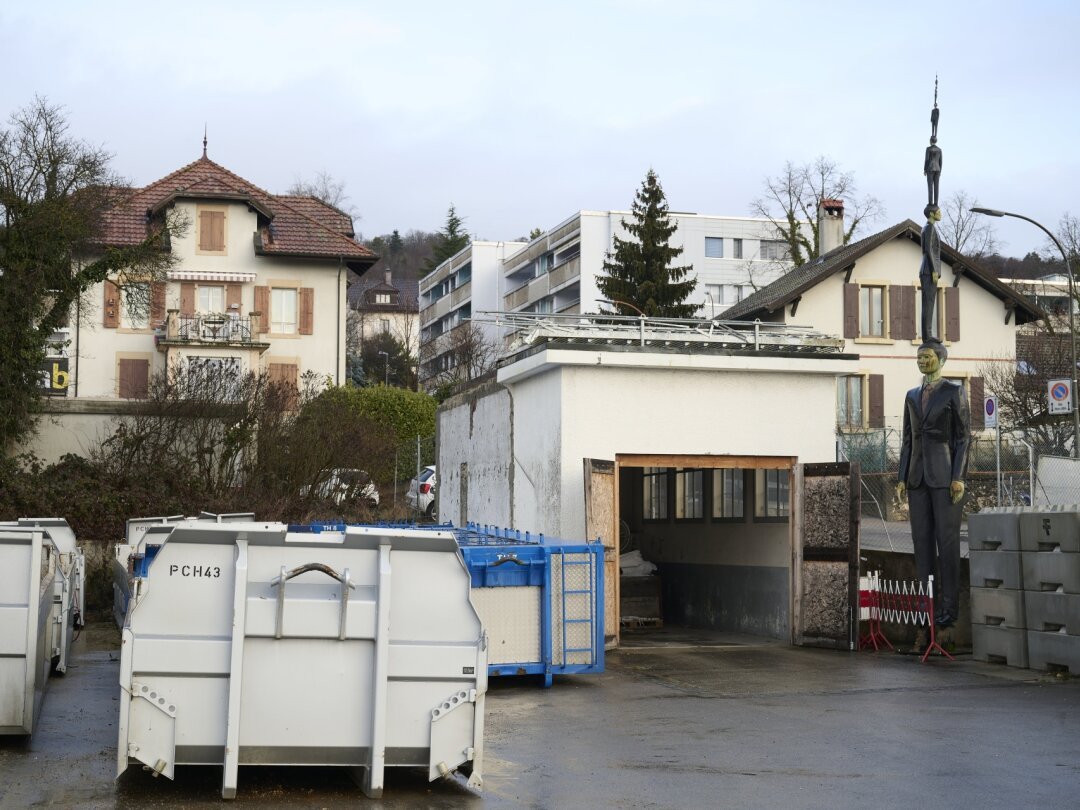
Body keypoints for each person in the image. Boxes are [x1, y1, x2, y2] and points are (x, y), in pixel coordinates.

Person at [897, 341, 969, 649]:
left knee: (948, 545)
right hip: (917, 478)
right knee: (921, 547)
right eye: (918, 357)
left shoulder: (954, 392)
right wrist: (901, 477)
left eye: (926, 356)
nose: (921, 361)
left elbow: (964, 436)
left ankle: (947, 617)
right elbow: (907, 439)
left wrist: (959, 476)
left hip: (945, 477)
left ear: (940, 359)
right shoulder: (911, 396)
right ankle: (923, 618)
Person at [919, 206, 942, 340]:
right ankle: (927, 336)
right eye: (938, 212)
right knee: (928, 304)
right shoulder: (929, 228)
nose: (940, 214)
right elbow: (928, 249)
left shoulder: (930, 228)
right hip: (928, 270)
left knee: (930, 303)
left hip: (929, 270)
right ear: (932, 214)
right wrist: (934, 270)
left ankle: (928, 334)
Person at [924, 136, 942, 208]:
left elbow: (927, 160)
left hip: (930, 169)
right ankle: (936, 203)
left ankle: (930, 203)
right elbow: (941, 161)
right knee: (936, 187)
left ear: (930, 141)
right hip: (937, 169)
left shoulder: (928, 149)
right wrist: (940, 171)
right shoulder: (939, 150)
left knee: (930, 187)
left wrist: (925, 169)